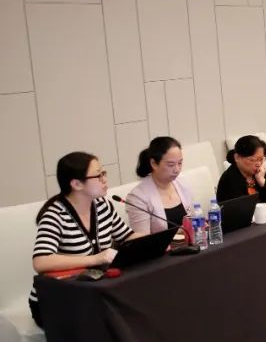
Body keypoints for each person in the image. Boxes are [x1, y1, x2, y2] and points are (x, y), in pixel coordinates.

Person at [31, 152, 134, 326]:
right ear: (77, 184)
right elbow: (41, 261)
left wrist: (157, 240)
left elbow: (127, 236)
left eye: (104, 173)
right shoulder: (55, 215)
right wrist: (95, 259)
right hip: (57, 299)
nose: (105, 179)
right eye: (98, 175)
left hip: (91, 291)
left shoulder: (103, 205)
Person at [125, 136, 193, 235]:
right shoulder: (138, 198)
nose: (177, 169)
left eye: (180, 163)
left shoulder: (182, 182)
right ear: (154, 163)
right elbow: (142, 240)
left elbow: (191, 219)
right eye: (171, 165)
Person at [217, 135, 266, 204]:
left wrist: (262, 181)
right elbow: (243, 207)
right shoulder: (230, 178)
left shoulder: (261, 173)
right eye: (253, 160)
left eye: (261, 159)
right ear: (237, 157)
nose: (258, 164)